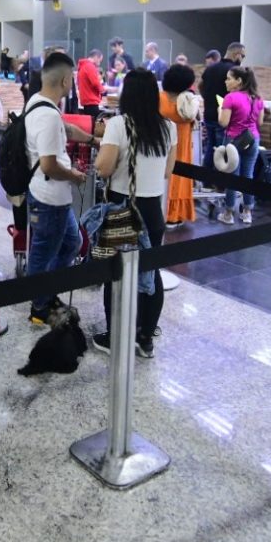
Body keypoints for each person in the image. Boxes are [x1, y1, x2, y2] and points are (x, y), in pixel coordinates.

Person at [91, 69, 175, 357]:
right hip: (153, 210)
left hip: (122, 208)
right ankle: (145, 337)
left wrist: (104, 150)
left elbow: (104, 168)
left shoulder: (118, 124)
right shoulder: (168, 127)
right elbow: (167, 171)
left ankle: (116, 336)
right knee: (151, 273)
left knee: (115, 272)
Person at [23, 52, 89, 327]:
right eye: (71, 78)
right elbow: (49, 165)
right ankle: (39, 307)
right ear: (64, 80)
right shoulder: (47, 115)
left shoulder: (38, 103)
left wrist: (93, 139)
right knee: (43, 253)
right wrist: (74, 175)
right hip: (49, 198)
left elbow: (67, 129)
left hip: (51, 196)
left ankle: (48, 294)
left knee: (72, 243)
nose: (72, 83)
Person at [217, 66, 265, 225]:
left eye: (229, 78)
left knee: (233, 177)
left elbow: (223, 122)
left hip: (233, 140)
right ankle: (247, 212)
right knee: (248, 175)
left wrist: (220, 110)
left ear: (239, 81)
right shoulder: (258, 98)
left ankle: (228, 213)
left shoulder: (230, 98)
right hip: (253, 140)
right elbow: (260, 122)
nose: (226, 81)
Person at [160, 64, 200, 227]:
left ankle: (161, 212)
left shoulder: (158, 98)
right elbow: (195, 118)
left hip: (161, 145)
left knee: (162, 177)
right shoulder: (188, 101)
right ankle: (175, 214)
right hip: (182, 145)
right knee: (180, 178)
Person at [200, 43, 245, 173]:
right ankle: (219, 181)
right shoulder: (234, 71)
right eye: (242, 56)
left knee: (210, 148)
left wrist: (208, 98)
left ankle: (205, 178)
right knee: (223, 151)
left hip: (209, 113)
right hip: (225, 116)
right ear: (236, 54)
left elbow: (201, 86)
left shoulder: (210, 68)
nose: (242, 59)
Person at [76, 48, 105, 116]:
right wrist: (103, 89)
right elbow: (95, 83)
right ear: (96, 57)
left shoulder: (83, 66)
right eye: (99, 60)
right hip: (91, 101)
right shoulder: (90, 66)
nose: (99, 63)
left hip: (86, 101)